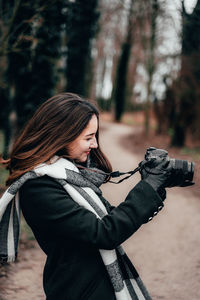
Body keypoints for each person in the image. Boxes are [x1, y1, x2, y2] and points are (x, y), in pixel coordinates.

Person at [0, 93, 174, 300]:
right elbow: (106, 233)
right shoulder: (38, 186)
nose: (95, 145)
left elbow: (111, 217)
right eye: (88, 138)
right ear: (61, 135)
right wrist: (148, 187)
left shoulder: (69, 177)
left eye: (95, 136)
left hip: (94, 286)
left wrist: (152, 187)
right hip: (78, 291)